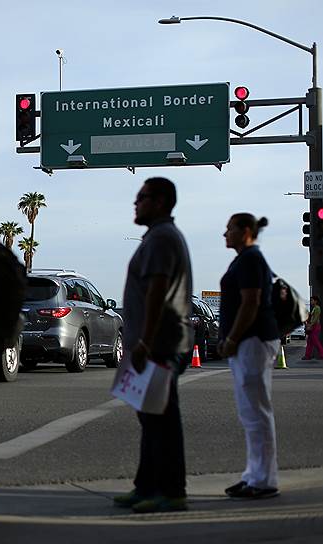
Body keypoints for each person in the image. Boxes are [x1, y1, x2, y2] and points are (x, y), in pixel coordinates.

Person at [113, 177, 193, 514]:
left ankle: (172, 491)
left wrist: (145, 340)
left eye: (142, 197)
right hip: (154, 342)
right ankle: (145, 486)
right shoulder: (159, 236)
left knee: (162, 421)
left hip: (159, 344)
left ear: (159, 202)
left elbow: (158, 291)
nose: (136, 202)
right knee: (151, 418)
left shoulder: (161, 238)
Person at [218, 214, 281, 499]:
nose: (225, 233)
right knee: (250, 413)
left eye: (229, 228)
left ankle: (264, 480)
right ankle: (254, 474)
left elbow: (251, 301)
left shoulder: (251, 259)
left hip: (252, 342)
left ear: (245, 231)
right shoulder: (246, 258)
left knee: (256, 413)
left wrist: (232, 338)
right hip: (249, 342)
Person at [302, 295, 323, 360]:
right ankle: (307, 355)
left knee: (315, 341)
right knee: (309, 341)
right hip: (313, 326)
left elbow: (316, 318)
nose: (311, 302)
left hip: (315, 326)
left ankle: (321, 354)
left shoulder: (317, 308)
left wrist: (310, 325)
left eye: (312, 300)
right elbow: (311, 317)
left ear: (315, 301)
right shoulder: (314, 308)